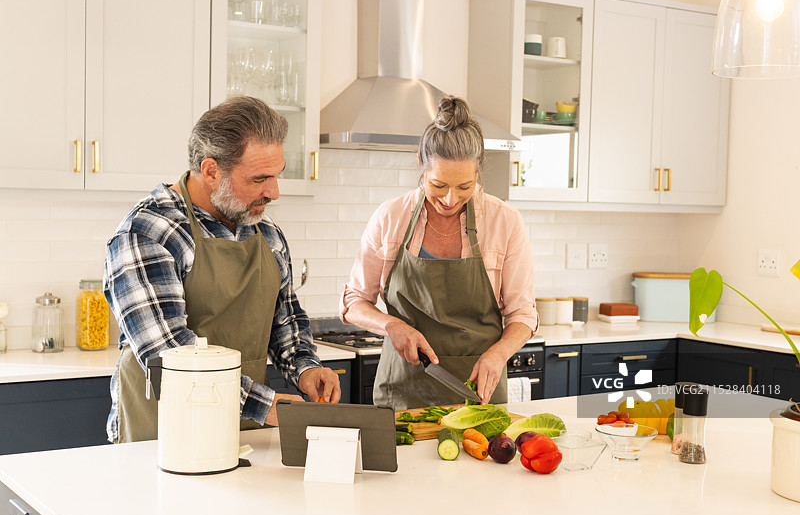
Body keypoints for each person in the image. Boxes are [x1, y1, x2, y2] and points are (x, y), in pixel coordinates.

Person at [103, 96, 340, 443]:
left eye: (277, 176)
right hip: (162, 436)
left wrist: (306, 367)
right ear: (212, 171)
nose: (273, 192)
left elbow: (285, 321)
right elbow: (172, 356)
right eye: (260, 178)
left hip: (244, 434)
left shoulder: (266, 232)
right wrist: (266, 404)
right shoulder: (148, 232)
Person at [340, 96, 538, 409]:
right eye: (438, 184)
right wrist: (393, 326)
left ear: (479, 172)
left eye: (464, 186)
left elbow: (523, 315)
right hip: (402, 391)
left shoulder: (505, 221)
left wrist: (498, 355)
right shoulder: (390, 217)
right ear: (421, 162)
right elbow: (354, 302)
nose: (449, 198)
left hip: (479, 394)